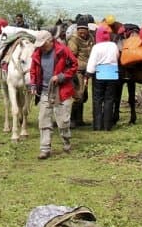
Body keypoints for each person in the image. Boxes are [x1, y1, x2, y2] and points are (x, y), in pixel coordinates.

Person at [29, 30, 78, 159]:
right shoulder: (37, 53)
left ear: (50, 41)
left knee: (63, 121)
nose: (41, 47)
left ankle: (66, 142)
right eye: (39, 45)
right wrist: (33, 85)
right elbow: (33, 70)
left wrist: (61, 76)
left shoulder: (63, 50)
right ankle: (45, 149)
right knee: (43, 119)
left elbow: (74, 65)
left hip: (62, 90)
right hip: (45, 91)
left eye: (43, 45)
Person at [86, 25, 120, 131]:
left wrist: (88, 74)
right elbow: (117, 56)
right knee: (109, 100)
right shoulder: (114, 45)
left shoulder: (96, 47)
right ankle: (107, 126)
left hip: (99, 75)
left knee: (97, 100)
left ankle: (97, 125)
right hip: (112, 74)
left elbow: (92, 62)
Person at [66, 22, 95, 128]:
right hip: (78, 70)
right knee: (78, 95)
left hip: (87, 70)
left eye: (84, 32)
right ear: (77, 31)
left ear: (87, 31)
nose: (82, 34)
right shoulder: (73, 40)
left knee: (84, 95)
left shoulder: (91, 38)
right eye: (80, 32)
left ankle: (79, 119)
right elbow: (71, 56)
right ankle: (72, 120)